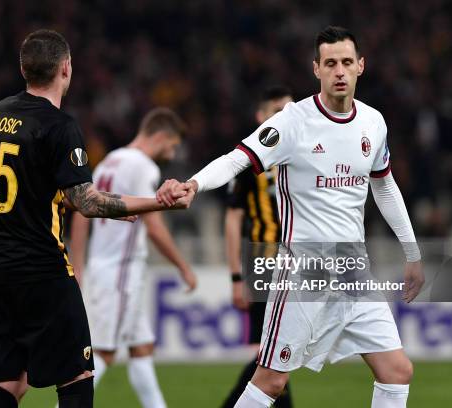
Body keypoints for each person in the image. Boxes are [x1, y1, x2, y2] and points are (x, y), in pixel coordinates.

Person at [157, 26, 424, 408]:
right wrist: (194, 185)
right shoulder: (292, 122)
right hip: (305, 270)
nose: (339, 71)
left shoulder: (373, 123)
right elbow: (238, 158)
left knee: (397, 371)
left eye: (347, 62)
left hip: (354, 269)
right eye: (330, 63)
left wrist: (412, 253)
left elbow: (383, 186)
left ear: (361, 66)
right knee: (271, 381)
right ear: (316, 68)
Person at [0, 29, 190, 408]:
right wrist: (157, 202)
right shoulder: (60, 126)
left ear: (23, 68)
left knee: (8, 386)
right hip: (42, 271)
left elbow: (31, 185)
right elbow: (86, 202)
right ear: (66, 68)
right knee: (78, 378)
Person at [70, 107, 197, 408]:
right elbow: (153, 226)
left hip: (108, 267)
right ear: (162, 136)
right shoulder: (143, 166)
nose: (173, 152)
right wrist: (183, 266)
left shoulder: (109, 162)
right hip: (121, 272)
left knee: (141, 347)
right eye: (173, 145)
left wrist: (78, 266)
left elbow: (79, 215)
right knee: (103, 353)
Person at [222, 86, 294, 408]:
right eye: (277, 110)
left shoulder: (298, 153)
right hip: (264, 261)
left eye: (289, 110)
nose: (284, 116)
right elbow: (233, 220)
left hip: (296, 264)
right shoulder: (249, 160)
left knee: (276, 355)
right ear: (260, 116)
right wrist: (236, 277)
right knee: (272, 357)